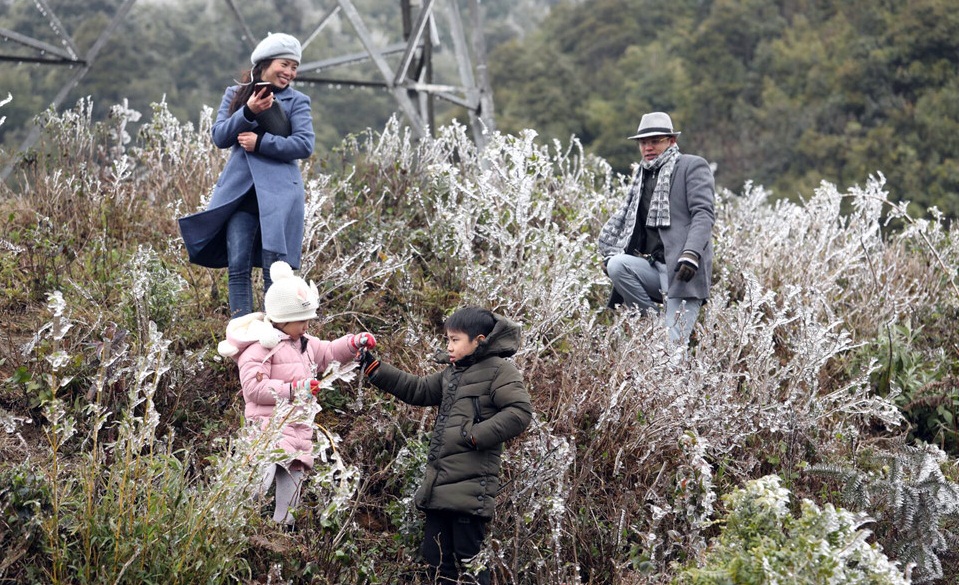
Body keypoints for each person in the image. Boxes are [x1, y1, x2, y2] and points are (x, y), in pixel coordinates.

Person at [357, 307, 533, 584]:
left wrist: (476, 436)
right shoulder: (453, 374)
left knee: (470, 565)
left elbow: (520, 412)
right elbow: (418, 389)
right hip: (438, 488)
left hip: (470, 492)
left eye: (455, 340)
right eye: (447, 340)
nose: (448, 346)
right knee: (436, 562)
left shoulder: (500, 370)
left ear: (479, 340)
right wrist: (375, 369)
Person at [217, 261, 376, 527]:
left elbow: (328, 353)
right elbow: (254, 390)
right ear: (282, 319)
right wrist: (295, 390)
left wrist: (352, 343)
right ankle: (232, 526)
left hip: (300, 428)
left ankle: (281, 536)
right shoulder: (259, 348)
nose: (306, 326)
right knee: (257, 484)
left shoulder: (304, 343)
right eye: (301, 321)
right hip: (269, 428)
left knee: (292, 493)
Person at [179, 32, 315, 318]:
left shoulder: (297, 101)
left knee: (275, 271)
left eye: (294, 67)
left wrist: (261, 143)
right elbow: (219, 136)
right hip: (241, 196)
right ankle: (243, 335)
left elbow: (304, 145)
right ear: (265, 63)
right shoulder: (236, 95)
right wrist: (249, 111)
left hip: (279, 197)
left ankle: (277, 332)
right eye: (284, 64)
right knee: (237, 267)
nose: (289, 72)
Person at [598, 112, 715, 344]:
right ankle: (654, 323)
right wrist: (613, 248)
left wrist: (691, 253)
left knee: (672, 353)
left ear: (672, 141)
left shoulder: (691, 166)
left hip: (684, 271)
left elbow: (703, 214)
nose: (648, 147)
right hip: (655, 266)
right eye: (643, 142)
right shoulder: (643, 175)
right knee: (617, 264)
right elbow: (634, 225)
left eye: (655, 141)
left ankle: (668, 341)